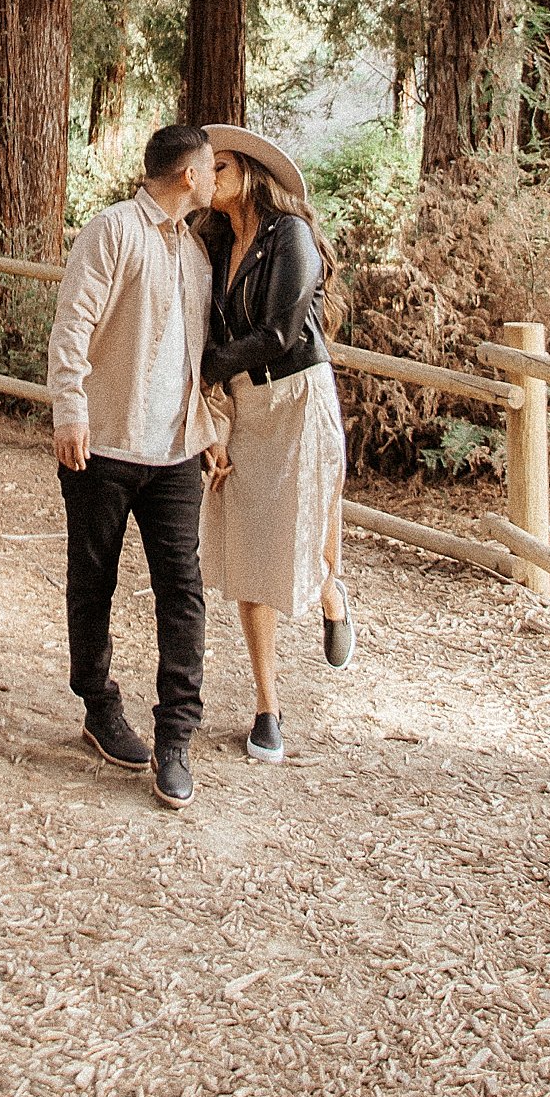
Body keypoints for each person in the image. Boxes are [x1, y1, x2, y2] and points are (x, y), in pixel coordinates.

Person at [47, 124, 222, 809]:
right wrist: (69, 410)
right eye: (210, 169)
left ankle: (176, 736)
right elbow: (73, 323)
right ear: (187, 174)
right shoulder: (112, 230)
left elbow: (198, 352)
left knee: (183, 590)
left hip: (176, 452)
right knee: (92, 582)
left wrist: (213, 428)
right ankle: (97, 706)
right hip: (104, 445)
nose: (214, 180)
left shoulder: (199, 254)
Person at [197, 125, 353, 766]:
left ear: (250, 174)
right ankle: (268, 707)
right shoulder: (211, 244)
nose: (208, 178)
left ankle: (330, 591)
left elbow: (283, 331)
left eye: (221, 167)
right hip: (245, 403)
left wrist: (205, 365)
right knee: (251, 544)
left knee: (305, 524)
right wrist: (213, 406)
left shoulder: (288, 236)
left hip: (298, 397)